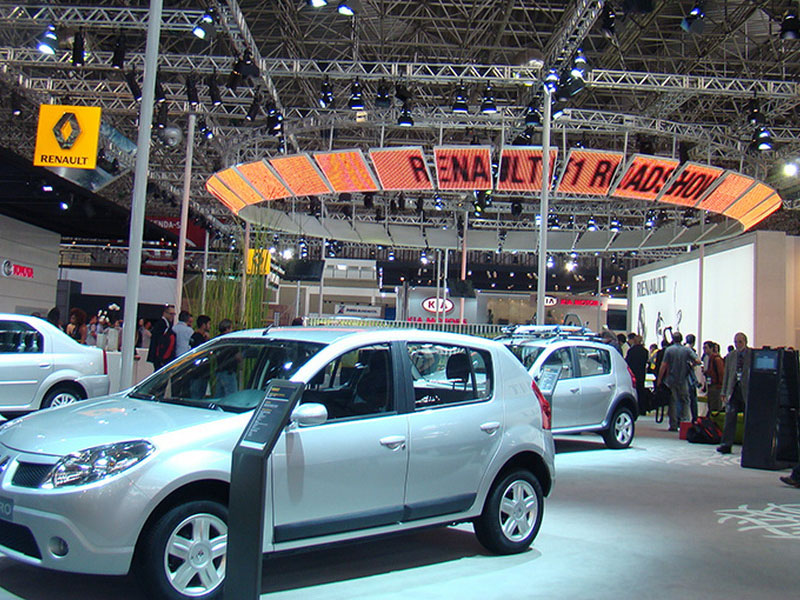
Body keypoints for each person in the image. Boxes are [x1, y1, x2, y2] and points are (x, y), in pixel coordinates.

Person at [717, 332, 752, 454]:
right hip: (733, 390)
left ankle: (749, 445)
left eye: (740, 342)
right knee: (730, 417)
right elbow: (727, 374)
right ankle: (726, 444)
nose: (737, 344)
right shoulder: (731, 356)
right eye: (736, 342)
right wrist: (724, 392)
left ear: (745, 342)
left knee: (749, 419)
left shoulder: (752, 355)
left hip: (747, 391)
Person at [656, 331, 693, 431]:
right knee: (685, 400)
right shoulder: (686, 350)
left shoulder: (669, 350)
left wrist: (659, 379)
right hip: (683, 379)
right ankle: (685, 422)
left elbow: (663, 365)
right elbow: (697, 360)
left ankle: (673, 424)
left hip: (671, 380)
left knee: (673, 401)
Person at [147, 304, 176, 371]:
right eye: (171, 314)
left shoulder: (165, 324)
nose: (172, 316)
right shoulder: (161, 324)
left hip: (160, 355)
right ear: (165, 313)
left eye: (173, 314)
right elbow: (159, 340)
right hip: (159, 355)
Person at [625, 334, 649, 416]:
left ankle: (635, 409)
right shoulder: (645, 351)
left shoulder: (631, 351)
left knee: (633, 391)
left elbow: (627, 362)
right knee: (641, 391)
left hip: (633, 373)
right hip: (641, 373)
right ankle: (642, 409)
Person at [703, 341, 725, 413]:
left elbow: (721, 373)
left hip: (716, 387)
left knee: (715, 408)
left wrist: (720, 386)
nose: (704, 350)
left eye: (706, 348)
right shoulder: (708, 359)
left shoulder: (717, 359)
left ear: (711, 348)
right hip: (711, 386)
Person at [684, 333, 701, 422]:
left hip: (681, 378)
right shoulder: (690, 351)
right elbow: (698, 361)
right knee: (692, 399)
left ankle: (682, 419)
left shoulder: (682, 349)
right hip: (689, 379)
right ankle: (694, 417)